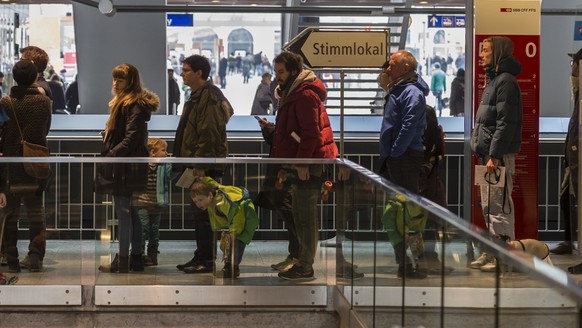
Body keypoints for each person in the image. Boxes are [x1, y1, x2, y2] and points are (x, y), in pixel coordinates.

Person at [266, 51, 338, 281]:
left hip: (308, 164)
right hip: (301, 162)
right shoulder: (293, 93)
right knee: (299, 213)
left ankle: (306, 266)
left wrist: (303, 163)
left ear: (294, 72)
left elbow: (311, 134)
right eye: (276, 72)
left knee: (305, 216)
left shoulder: (304, 95)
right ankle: (301, 260)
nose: (277, 77)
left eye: (281, 72)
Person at [174, 54, 234, 274]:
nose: (183, 73)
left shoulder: (208, 97)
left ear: (199, 73)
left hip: (203, 167)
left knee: (205, 214)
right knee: (199, 214)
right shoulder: (199, 95)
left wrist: (200, 164)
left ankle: (207, 260)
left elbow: (208, 133)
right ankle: (201, 255)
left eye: (187, 70)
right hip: (197, 163)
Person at [98, 63, 159, 273]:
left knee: (124, 213)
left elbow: (131, 136)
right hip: (128, 164)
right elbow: (130, 134)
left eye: (120, 79)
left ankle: (124, 260)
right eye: (114, 78)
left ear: (130, 81)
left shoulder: (132, 104)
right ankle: (134, 258)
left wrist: (112, 153)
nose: (115, 83)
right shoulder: (126, 103)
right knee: (130, 213)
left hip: (126, 165)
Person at [470, 36, 523, 272]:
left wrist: (495, 154)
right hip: (489, 156)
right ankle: (493, 252)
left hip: (496, 158)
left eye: (486, 51)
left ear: (499, 54)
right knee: (489, 207)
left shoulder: (506, 82)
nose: (481, 54)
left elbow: (506, 122)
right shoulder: (494, 80)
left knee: (499, 207)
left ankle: (504, 257)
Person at [379, 50, 429, 279]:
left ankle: (414, 263)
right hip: (398, 158)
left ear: (406, 67)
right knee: (397, 212)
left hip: (405, 159)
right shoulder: (399, 90)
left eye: (393, 65)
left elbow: (408, 124)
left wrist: (396, 152)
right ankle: (404, 262)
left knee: (410, 213)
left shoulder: (411, 92)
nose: (388, 69)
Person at [0, 59, 52, 273]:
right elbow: (45, 131)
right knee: (35, 213)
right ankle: (35, 255)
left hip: (11, 167)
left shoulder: (6, 102)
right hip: (35, 165)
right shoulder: (44, 103)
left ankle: (11, 259)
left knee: (10, 214)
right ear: (34, 77)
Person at [190, 177, 259, 278]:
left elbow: (237, 214)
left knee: (237, 243)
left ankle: (232, 269)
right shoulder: (213, 193)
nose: (198, 204)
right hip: (239, 219)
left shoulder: (221, 203)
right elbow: (212, 182)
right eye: (195, 202)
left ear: (209, 195)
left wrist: (234, 231)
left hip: (245, 218)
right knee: (231, 244)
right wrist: (203, 178)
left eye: (200, 200)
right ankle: (229, 266)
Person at [138, 138, 173, 266]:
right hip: (142, 202)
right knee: (143, 228)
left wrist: (171, 163)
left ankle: (152, 255)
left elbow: (171, 175)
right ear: (152, 152)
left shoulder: (163, 165)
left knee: (154, 230)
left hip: (157, 203)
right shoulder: (143, 164)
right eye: (163, 150)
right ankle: (139, 253)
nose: (166, 153)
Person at [562, 48, 582, 272]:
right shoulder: (578, 93)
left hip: (578, 159)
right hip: (574, 158)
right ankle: (569, 241)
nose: (571, 68)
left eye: (574, 64)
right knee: (565, 197)